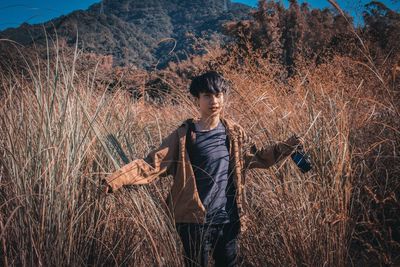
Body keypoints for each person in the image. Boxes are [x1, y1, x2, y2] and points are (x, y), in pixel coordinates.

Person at [102, 71, 301, 267]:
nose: (214, 101)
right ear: (198, 99)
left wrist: (288, 147)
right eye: (207, 96)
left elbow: (257, 158)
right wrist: (114, 181)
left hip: (228, 219)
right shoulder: (184, 136)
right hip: (194, 222)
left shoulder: (233, 132)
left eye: (218, 95)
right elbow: (152, 164)